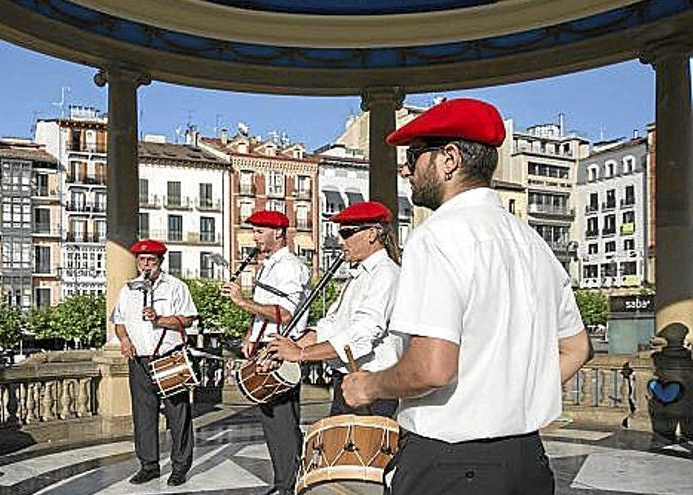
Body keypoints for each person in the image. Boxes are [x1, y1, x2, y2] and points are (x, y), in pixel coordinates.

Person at [340, 98, 593, 495]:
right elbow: (577, 348)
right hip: (527, 460)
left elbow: (432, 369)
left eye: (415, 155)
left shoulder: (437, 237)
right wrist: (510, 396)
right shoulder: (532, 242)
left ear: (449, 159)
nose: (406, 168)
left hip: (452, 465)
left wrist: (368, 386)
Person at [267, 201, 403, 418]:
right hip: (348, 382)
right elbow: (329, 326)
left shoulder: (385, 274)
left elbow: (362, 334)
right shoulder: (359, 276)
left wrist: (301, 354)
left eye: (347, 233)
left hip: (372, 389)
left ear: (371, 234)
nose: (340, 241)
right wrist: (287, 350)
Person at [221, 210, 311, 495]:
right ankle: (285, 480)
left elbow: (285, 314)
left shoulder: (289, 267)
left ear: (280, 233)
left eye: (260, 231)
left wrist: (241, 302)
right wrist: (251, 333)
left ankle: (289, 484)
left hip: (281, 349)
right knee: (273, 421)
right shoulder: (270, 265)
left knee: (282, 421)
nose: (255, 236)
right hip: (266, 345)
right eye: (255, 231)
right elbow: (266, 313)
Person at [112, 239, 198, 486]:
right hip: (138, 360)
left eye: (151, 260)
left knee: (177, 414)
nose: (145, 264)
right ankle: (148, 465)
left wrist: (160, 319)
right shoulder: (128, 289)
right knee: (143, 416)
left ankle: (180, 466)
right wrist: (124, 340)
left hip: (169, 358)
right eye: (141, 260)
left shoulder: (176, 287)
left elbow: (188, 319)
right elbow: (119, 321)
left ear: (160, 261)